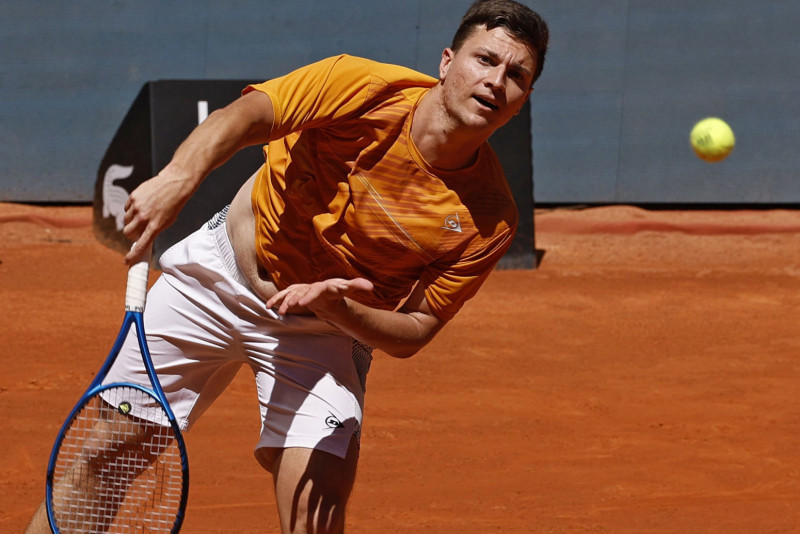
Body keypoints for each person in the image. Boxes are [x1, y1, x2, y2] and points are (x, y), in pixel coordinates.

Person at [26, 1, 549, 532]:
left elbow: (416, 328)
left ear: (523, 101)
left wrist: (338, 310)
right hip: (217, 279)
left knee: (317, 511)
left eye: (516, 75)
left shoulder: (490, 217)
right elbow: (245, 117)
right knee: (105, 458)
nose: (495, 81)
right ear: (446, 62)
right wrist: (179, 177)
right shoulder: (363, 86)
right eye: (485, 59)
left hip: (323, 332)